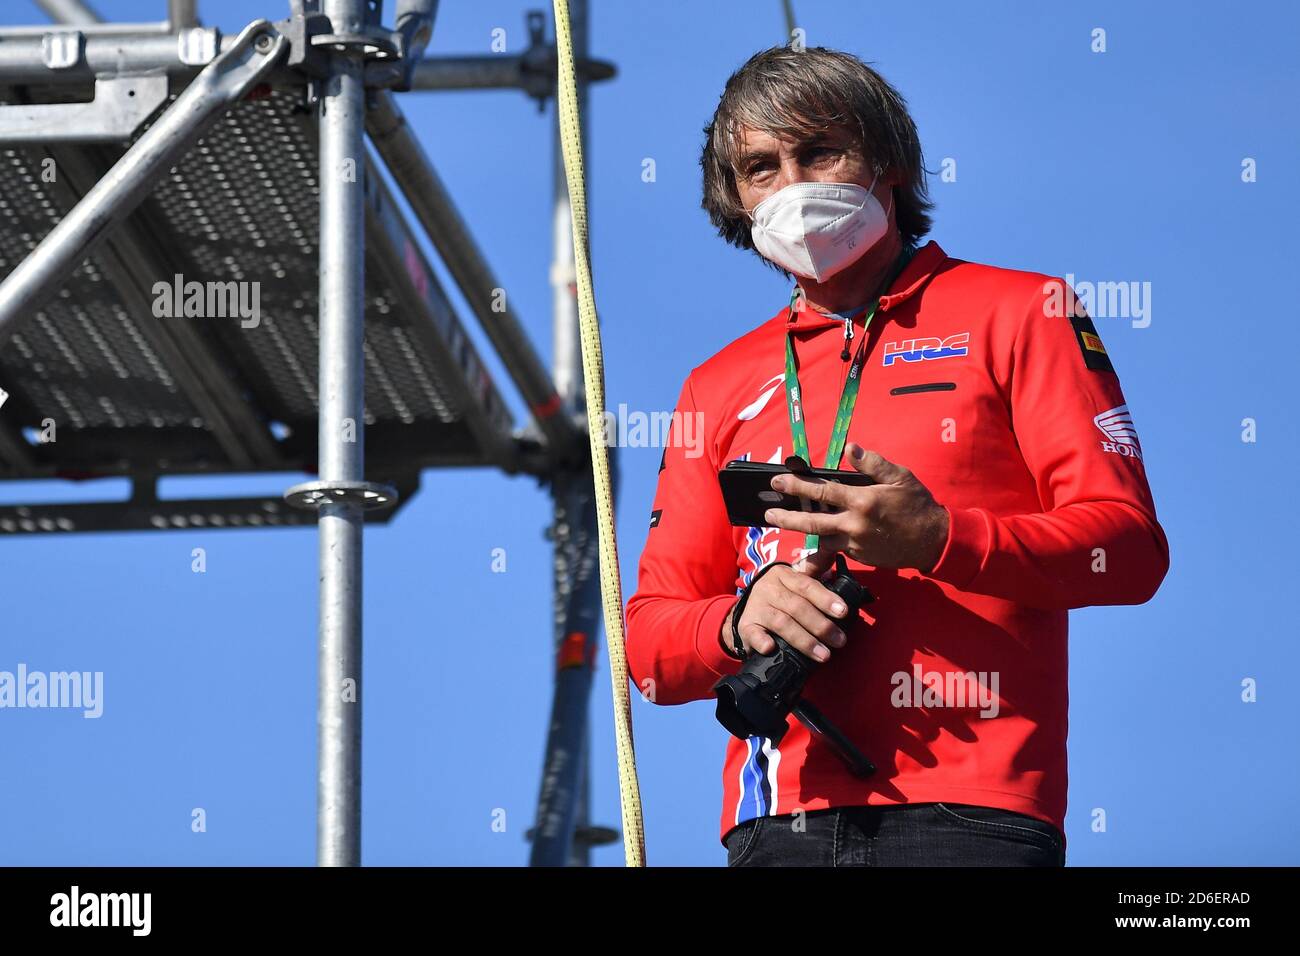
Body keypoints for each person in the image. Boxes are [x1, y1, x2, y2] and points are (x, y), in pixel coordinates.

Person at [623, 46, 1170, 867]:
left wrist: (939, 539)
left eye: (820, 151)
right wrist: (738, 620)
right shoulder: (719, 381)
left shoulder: (1021, 310)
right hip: (777, 821)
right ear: (734, 200)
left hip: (973, 813)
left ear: (894, 163)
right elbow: (651, 649)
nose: (794, 186)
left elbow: (1127, 552)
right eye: (760, 167)